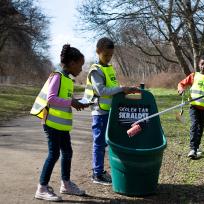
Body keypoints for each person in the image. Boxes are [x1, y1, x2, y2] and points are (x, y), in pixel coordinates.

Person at [30, 44, 88, 201]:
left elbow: (65, 99)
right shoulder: (57, 76)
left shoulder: (67, 79)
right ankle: (41, 188)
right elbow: (51, 99)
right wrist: (71, 102)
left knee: (68, 153)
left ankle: (66, 184)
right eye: (80, 65)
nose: (81, 69)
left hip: (62, 126)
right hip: (51, 124)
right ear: (72, 63)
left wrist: (77, 102)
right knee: (54, 154)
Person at [83, 37, 139, 185]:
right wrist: (121, 89)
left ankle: (101, 171)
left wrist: (125, 90)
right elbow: (101, 90)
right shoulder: (96, 70)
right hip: (100, 111)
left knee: (106, 143)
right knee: (99, 143)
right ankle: (97, 173)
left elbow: (113, 86)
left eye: (110, 56)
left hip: (110, 111)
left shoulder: (109, 68)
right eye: (105, 55)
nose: (108, 58)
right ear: (98, 51)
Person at [178, 54, 204, 159]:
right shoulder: (193, 76)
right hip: (194, 107)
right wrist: (181, 89)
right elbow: (181, 84)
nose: (203, 67)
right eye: (201, 64)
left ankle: (196, 146)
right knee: (194, 126)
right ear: (198, 64)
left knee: (200, 129)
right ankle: (193, 148)